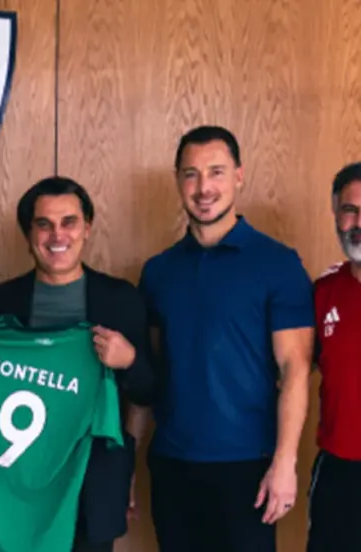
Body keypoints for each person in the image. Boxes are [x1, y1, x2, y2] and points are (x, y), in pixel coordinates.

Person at [0, 176, 155, 552]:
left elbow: (146, 394)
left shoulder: (121, 300)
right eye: (44, 224)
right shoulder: (0, 303)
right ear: (28, 234)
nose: (57, 235)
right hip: (18, 486)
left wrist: (129, 361)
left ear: (87, 228)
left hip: (93, 485)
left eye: (69, 222)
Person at [137, 125, 314, 552]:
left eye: (216, 172)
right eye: (191, 174)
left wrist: (285, 463)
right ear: (178, 180)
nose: (204, 188)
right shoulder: (158, 271)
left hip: (248, 468)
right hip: (173, 464)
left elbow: (295, 368)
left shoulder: (278, 263)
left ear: (239, 176)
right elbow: (149, 376)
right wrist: (126, 459)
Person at [307, 162, 361, 552]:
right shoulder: (322, 292)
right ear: (335, 213)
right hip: (339, 473)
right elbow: (290, 374)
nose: (359, 222)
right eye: (350, 210)